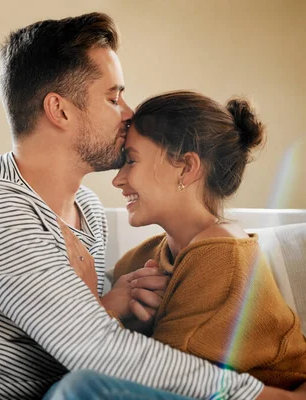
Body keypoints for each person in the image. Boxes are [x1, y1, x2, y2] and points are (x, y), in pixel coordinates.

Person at [0, 13, 304, 400]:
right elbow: (92, 352)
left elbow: (58, 336)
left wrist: (108, 303)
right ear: (59, 111)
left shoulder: (85, 210)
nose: (128, 113)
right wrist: (266, 396)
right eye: (112, 97)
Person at [105, 91, 306, 388]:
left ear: (187, 167)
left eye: (131, 161)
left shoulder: (223, 255)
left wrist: (108, 313)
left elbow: (154, 382)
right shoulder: (138, 260)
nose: (117, 179)